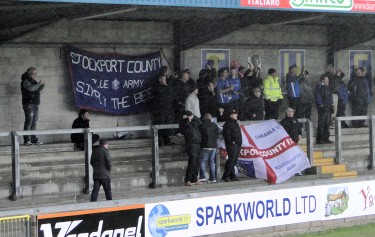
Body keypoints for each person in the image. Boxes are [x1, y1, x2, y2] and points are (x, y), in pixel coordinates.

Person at [21, 67, 45, 145]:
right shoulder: (25, 81)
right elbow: (31, 89)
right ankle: (27, 140)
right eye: (33, 73)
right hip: (29, 104)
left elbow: (37, 90)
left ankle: (34, 139)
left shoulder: (33, 80)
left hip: (35, 104)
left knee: (34, 122)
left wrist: (42, 85)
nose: (35, 75)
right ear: (29, 73)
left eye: (36, 73)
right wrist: (39, 84)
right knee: (29, 122)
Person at [179, 110, 202, 186]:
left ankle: (195, 178)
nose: (192, 117)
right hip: (191, 144)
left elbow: (198, 121)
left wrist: (193, 116)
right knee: (192, 162)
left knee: (197, 162)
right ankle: (188, 179)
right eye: (190, 116)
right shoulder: (184, 123)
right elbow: (184, 127)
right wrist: (186, 119)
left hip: (197, 144)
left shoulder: (193, 123)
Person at [150, 74, 174, 146]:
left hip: (168, 110)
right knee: (160, 126)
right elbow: (161, 95)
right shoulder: (157, 87)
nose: (164, 80)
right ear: (159, 79)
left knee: (167, 126)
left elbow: (171, 94)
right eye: (162, 79)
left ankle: (167, 140)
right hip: (160, 111)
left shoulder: (167, 87)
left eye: (165, 79)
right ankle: (160, 141)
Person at [279, 108, 303, 175]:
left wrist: (300, 134)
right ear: (287, 113)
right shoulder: (283, 122)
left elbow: (299, 128)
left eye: (293, 112)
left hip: (295, 142)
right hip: (288, 142)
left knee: (296, 156)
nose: (292, 113)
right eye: (291, 112)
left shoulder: (295, 120)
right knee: (289, 156)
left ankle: (297, 170)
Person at [222, 109, 242, 182]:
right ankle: (226, 175)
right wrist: (232, 142)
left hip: (237, 144)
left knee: (234, 161)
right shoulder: (228, 123)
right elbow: (226, 134)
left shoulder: (235, 123)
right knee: (231, 160)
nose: (236, 115)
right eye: (235, 114)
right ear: (231, 115)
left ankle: (232, 175)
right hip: (232, 145)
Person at [198, 113, 220, 183]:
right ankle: (213, 178)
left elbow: (199, 136)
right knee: (212, 162)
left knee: (202, 161)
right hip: (213, 146)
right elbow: (217, 135)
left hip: (205, 146)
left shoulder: (201, 126)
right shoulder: (214, 125)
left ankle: (203, 176)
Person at [315, 75, 334, 144]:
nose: (328, 81)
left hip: (328, 108)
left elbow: (330, 97)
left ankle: (326, 138)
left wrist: (331, 104)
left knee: (327, 123)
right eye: (326, 80)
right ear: (323, 80)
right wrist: (321, 105)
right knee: (321, 123)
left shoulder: (327, 88)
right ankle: (320, 139)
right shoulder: (319, 87)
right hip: (323, 108)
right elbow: (318, 97)